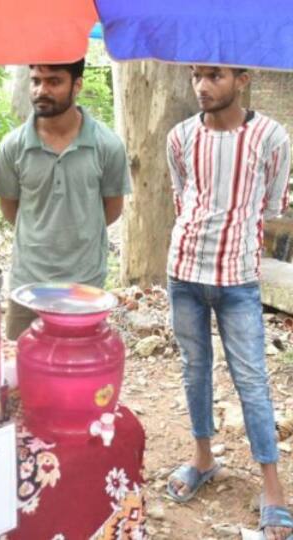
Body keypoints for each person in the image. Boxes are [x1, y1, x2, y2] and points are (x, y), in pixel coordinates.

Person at [166, 65, 292, 540]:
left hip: (238, 278)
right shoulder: (180, 136)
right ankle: (203, 457)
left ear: (242, 79)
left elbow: (272, 205)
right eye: (196, 75)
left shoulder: (271, 136)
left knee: (252, 379)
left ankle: (273, 487)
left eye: (214, 76)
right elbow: (184, 199)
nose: (201, 85)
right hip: (183, 272)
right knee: (194, 367)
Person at [0, 60, 130, 340]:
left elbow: (111, 209)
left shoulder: (107, 146)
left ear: (77, 85)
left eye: (54, 82)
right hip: (27, 283)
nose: (42, 90)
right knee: (23, 369)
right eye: (36, 80)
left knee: (80, 369)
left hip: (85, 284)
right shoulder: (12, 146)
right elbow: (10, 208)